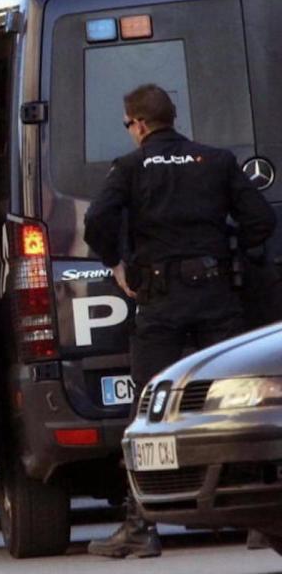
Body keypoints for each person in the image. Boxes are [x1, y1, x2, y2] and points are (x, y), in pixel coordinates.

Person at [84, 84, 276, 558]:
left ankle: (140, 527)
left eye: (129, 125)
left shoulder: (130, 168)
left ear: (141, 124)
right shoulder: (215, 160)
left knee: (150, 405)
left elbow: (97, 221)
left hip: (161, 299)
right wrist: (230, 252)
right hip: (215, 294)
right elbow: (260, 222)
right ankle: (259, 519)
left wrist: (117, 262)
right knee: (237, 403)